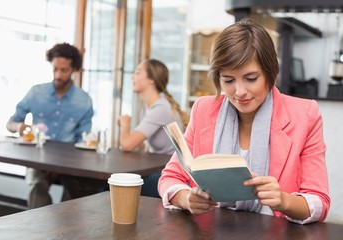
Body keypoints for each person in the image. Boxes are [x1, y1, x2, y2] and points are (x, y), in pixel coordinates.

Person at [158, 18, 330, 224]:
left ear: (271, 72)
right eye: (228, 80)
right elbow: (170, 177)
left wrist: (284, 201)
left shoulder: (305, 114)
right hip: (212, 231)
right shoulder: (204, 109)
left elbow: (320, 201)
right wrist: (186, 198)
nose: (239, 92)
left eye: (250, 78)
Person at [6, 42, 99, 208]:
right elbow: (10, 123)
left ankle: (64, 227)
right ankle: (42, 228)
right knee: (37, 184)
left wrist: (60, 167)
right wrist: (19, 127)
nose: (58, 74)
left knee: (77, 189)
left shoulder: (84, 101)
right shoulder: (36, 92)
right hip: (37, 160)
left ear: (74, 70)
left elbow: (82, 141)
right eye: (55, 69)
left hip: (69, 163)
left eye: (64, 70)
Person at [118, 59, 188, 197]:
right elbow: (140, 146)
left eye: (138, 73)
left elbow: (127, 145)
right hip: (163, 167)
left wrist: (125, 124)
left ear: (151, 80)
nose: (133, 77)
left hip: (175, 174)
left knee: (120, 186)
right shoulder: (148, 107)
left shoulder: (160, 108)